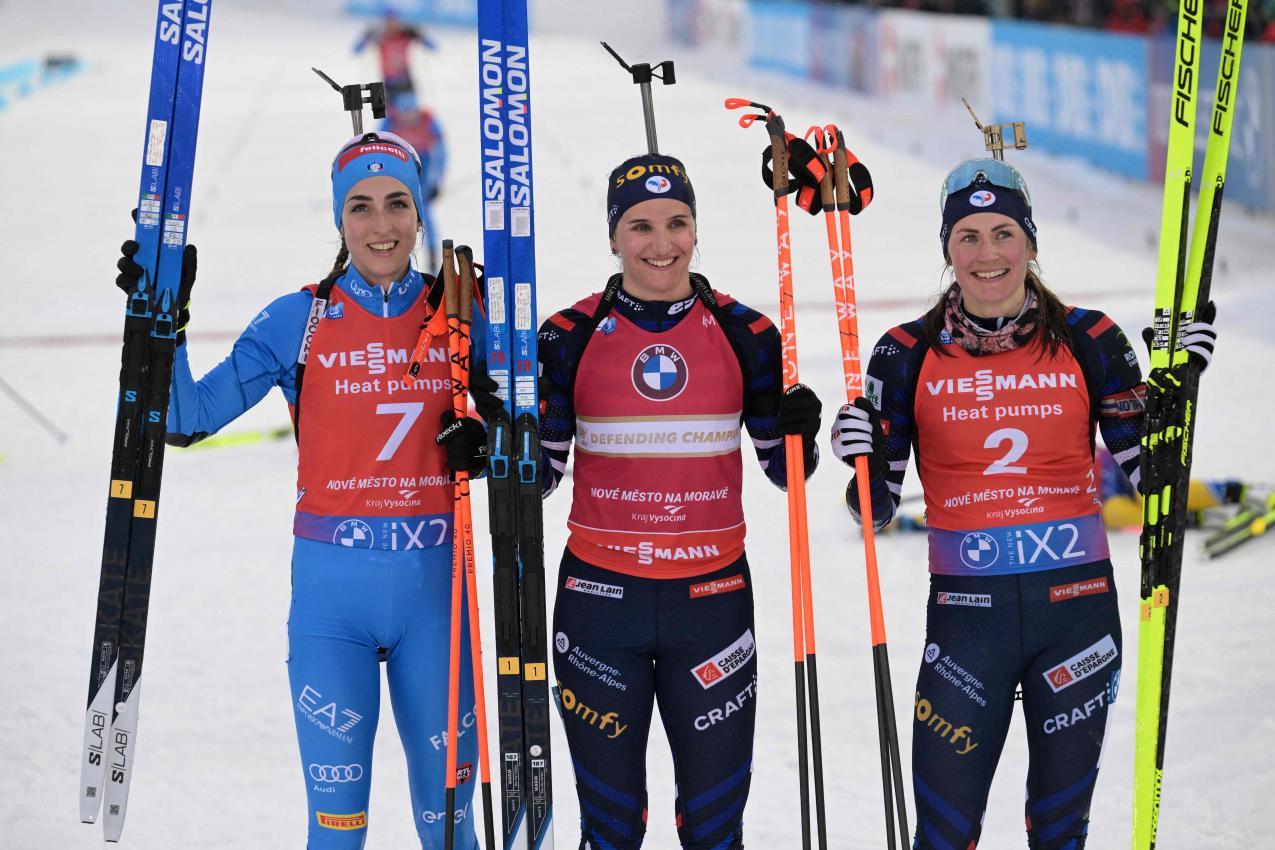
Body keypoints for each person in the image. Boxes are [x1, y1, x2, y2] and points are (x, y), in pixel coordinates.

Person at [114, 130, 487, 849]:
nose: (381, 225)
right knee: (336, 827)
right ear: (338, 220)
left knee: (450, 825)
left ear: (419, 212)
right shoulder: (302, 318)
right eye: (361, 207)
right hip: (330, 606)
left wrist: (492, 435)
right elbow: (186, 420)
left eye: (397, 204)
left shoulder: (461, 314)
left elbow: (525, 439)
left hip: (437, 598)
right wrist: (162, 318)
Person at [830, 159, 1215, 849]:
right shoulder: (904, 352)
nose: (987, 255)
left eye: (1003, 233)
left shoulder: (1091, 339)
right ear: (946, 249)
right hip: (964, 626)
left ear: (1031, 241)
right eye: (968, 237)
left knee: (1059, 830)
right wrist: (855, 455)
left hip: (1075, 618)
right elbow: (876, 508)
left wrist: (1176, 391)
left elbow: (1149, 478)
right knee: (944, 833)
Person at [473, 153, 822, 849]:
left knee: (715, 827)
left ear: (695, 229)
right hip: (601, 601)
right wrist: (498, 436)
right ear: (612, 236)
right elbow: (538, 479)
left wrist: (797, 431)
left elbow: (784, 473)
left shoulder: (746, 333)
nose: (661, 244)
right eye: (639, 226)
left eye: (677, 223)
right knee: (609, 827)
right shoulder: (565, 336)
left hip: (713, 601)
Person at [381, 92, 446, 271]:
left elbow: (440, 152)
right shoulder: (390, 121)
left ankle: (432, 254)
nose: (409, 119)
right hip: (400, 167)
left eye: (412, 114)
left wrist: (436, 180)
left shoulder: (427, 120)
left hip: (422, 167)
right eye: (404, 114)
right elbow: (377, 148)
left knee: (424, 212)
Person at [353, 6, 436, 103]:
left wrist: (421, 35)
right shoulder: (380, 37)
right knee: (390, 115)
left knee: (408, 114)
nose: (391, 24)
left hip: (405, 82)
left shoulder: (406, 35)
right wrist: (365, 37)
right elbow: (356, 50)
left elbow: (433, 47)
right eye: (388, 21)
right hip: (388, 84)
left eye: (394, 20)